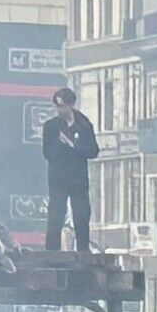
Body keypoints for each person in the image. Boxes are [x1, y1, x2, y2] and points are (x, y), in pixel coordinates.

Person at [39, 87, 96, 251]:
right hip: (58, 176)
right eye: (57, 106)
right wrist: (61, 147)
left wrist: (72, 146)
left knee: (81, 212)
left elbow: (93, 150)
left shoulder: (84, 125)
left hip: (78, 177)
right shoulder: (51, 127)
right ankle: (52, 249)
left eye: (62, 106)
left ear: (71, 105)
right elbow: (47, 152)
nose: (59, 110)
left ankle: (83, 249)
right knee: (56, 211)